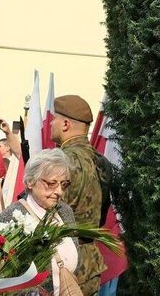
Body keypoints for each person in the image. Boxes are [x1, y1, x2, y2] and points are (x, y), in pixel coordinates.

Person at [0, 149, 83, 296]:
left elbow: (76, 257)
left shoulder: (65, 211)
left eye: (63, 185)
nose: (59, 192)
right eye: (51, 183)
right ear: (30, 181)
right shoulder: (9, 218)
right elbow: (2, 278)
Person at [52, 95, 107, 295]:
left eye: (54, 119)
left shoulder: (62, 159)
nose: (51, 123)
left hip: (64, 264)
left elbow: (48, 214)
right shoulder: (99, 160)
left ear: (65, 124)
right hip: (89, 261)